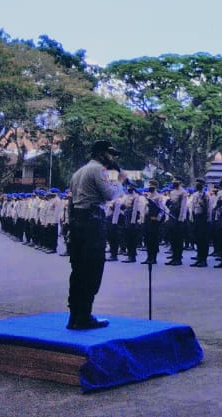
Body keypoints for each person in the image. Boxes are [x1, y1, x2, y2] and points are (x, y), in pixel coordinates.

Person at [66, 140, 124, 330]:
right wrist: (119, 181)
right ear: (100, 154)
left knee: (78, 270)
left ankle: (74, 316)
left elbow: (71, 200)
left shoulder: (79, 172)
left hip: (78, 221)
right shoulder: (99, 170)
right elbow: (110, 195)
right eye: (110, 154)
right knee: (92, 268)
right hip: (93, 221)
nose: (113, 158)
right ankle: (84, 316)